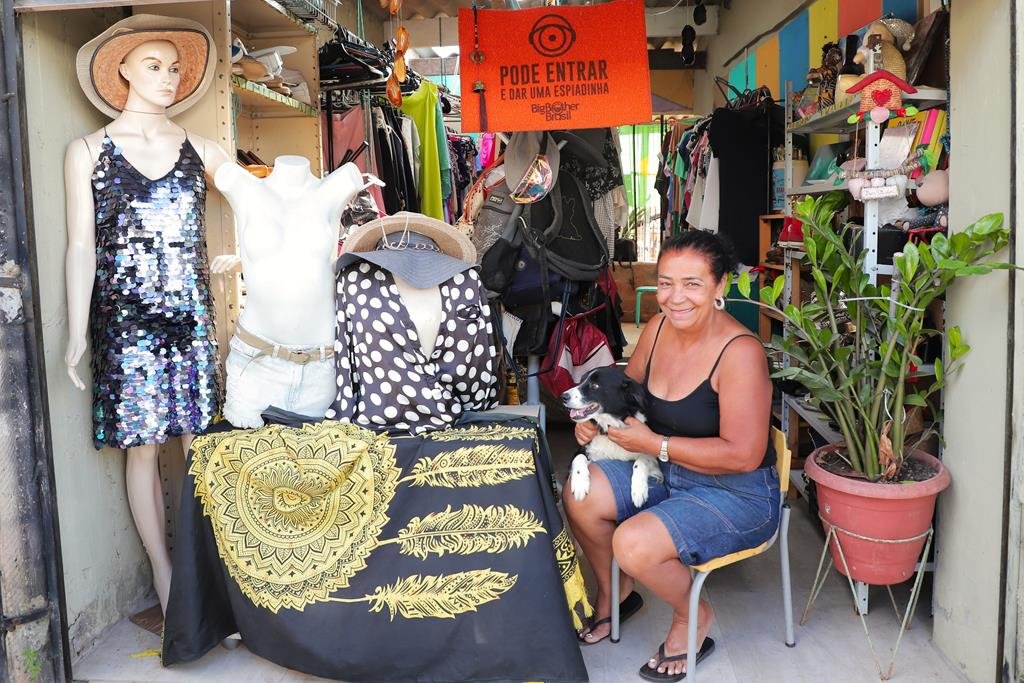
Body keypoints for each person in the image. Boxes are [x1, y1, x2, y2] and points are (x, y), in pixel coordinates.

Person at [64, 15, 231, 614]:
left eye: (175, 66)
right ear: (123, 71)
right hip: (123, 323)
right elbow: (80, 245)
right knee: (141, 449)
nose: (169, 77)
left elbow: (260, 203)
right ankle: (165, 577)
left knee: (197, 447)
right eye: (154, 65)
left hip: (189, 318)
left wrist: (243, 261)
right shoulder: (87, 151)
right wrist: (77, 331)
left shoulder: (204, 149)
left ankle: (206, 580)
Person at [564, 230, 779, 681]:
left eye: (692, 284)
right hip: (666, 471)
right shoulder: (659, 328)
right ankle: (617, 590)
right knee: (580, 496)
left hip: (734, 492)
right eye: (665, 282)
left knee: (633, 543)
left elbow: (744, 454)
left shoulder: (740, 353)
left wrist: (654, 445)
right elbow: (628, 392)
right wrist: (594, 415)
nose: (675, 297)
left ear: (720, 287)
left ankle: (692, 616)